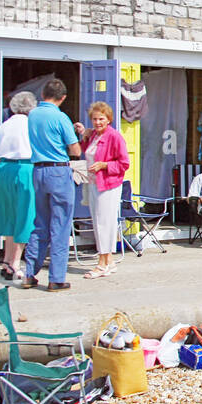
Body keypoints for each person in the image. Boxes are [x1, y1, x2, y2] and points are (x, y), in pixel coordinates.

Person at [23, 79, 82, 292]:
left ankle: (29, 273)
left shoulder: (32, 115)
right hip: (58, 170)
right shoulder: (60, 117)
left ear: (43, 93)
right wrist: (78, 134)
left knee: (40, 223)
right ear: (63, 98)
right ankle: (56, 278)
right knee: (61, 224)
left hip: (38, 169)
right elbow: (75, 151)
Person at [74, 101, 131, 277]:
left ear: (108, 119)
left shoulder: (114, 136)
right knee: (98, 222)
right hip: (93, 184)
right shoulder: (94, 136)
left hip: (108, 185)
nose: (98, 122)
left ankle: (102, 262)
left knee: (104, 223)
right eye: (95, 119)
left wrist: (104, 165)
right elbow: (86, 151)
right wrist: (83, 135)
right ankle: (109, 262)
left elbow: (124, 163)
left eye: (101, 119)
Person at [0, 91, 36, 281]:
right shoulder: (32, 125)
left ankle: (7, 260)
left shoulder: (4, 125)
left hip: (2, 169)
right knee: (25, 215)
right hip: (24, 168)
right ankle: (16, 262)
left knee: (8, 215)